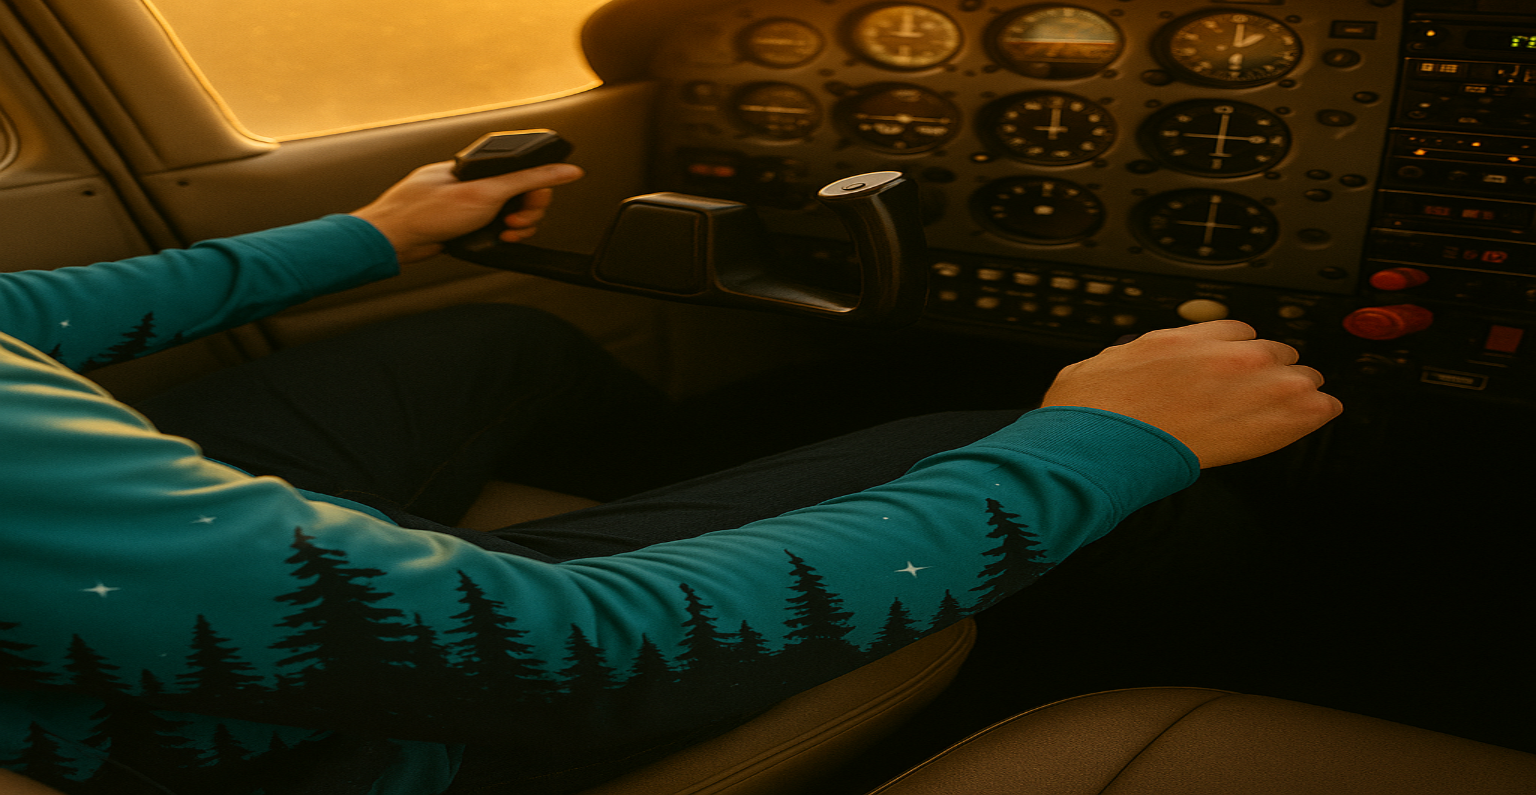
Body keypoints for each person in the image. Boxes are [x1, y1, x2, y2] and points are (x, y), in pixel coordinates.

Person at [0, 159, 1340, 795]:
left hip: (108, 555)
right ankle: (1288, 667)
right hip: (274, 738)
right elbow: (573, 652)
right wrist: (1107, 441)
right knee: (1142, 490)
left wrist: (374, 233)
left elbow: (24, 315)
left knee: (494, 340)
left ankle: (735, 507)